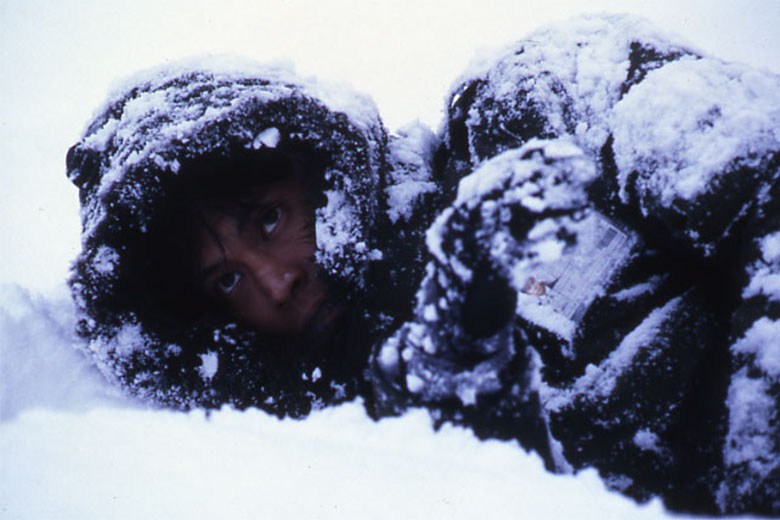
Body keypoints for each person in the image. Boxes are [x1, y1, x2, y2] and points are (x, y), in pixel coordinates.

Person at [367, 14, 780, 516]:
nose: (283, 283)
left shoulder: (522, 107)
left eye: (280, 215)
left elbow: (766, 172)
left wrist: (761, 487)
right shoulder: (357, 428)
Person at [66, 58, 439, 417]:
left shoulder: (461, 198)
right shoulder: (275, 440)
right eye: (228, 280)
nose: (278, 285)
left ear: (323, 171)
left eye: (270, 220)